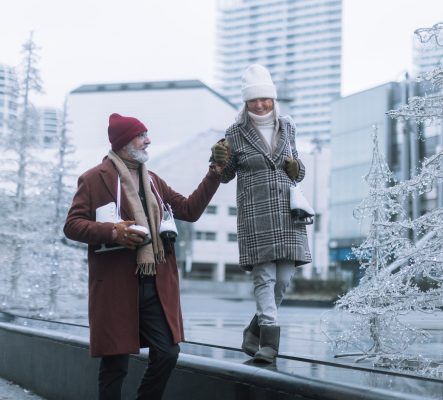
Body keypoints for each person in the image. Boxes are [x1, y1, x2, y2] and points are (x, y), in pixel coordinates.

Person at [63, 113, 230, 400]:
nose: (148, 141)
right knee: (115, 362)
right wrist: (112, 232)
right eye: (142, 136)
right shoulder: (93, 179)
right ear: (124, 142)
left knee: (167, 352)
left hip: (155, 283)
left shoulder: (153, 181)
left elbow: (190, 210)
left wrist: (215, 171)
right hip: (116, 285)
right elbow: (72, 225)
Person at [221, 64, 312, 363]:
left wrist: (297, 169)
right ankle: (269, 342)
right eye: (253, 99)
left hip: (286, 213)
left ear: (273, 98)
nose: (260, 104)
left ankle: (253, 332)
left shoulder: (288, 126)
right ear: (245, 102)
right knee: (264, 277)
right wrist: (217, 161)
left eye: (265, 98)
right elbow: (225, 175)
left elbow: (297, 170)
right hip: (256, 213)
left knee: (283, 278)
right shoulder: (234, 133)